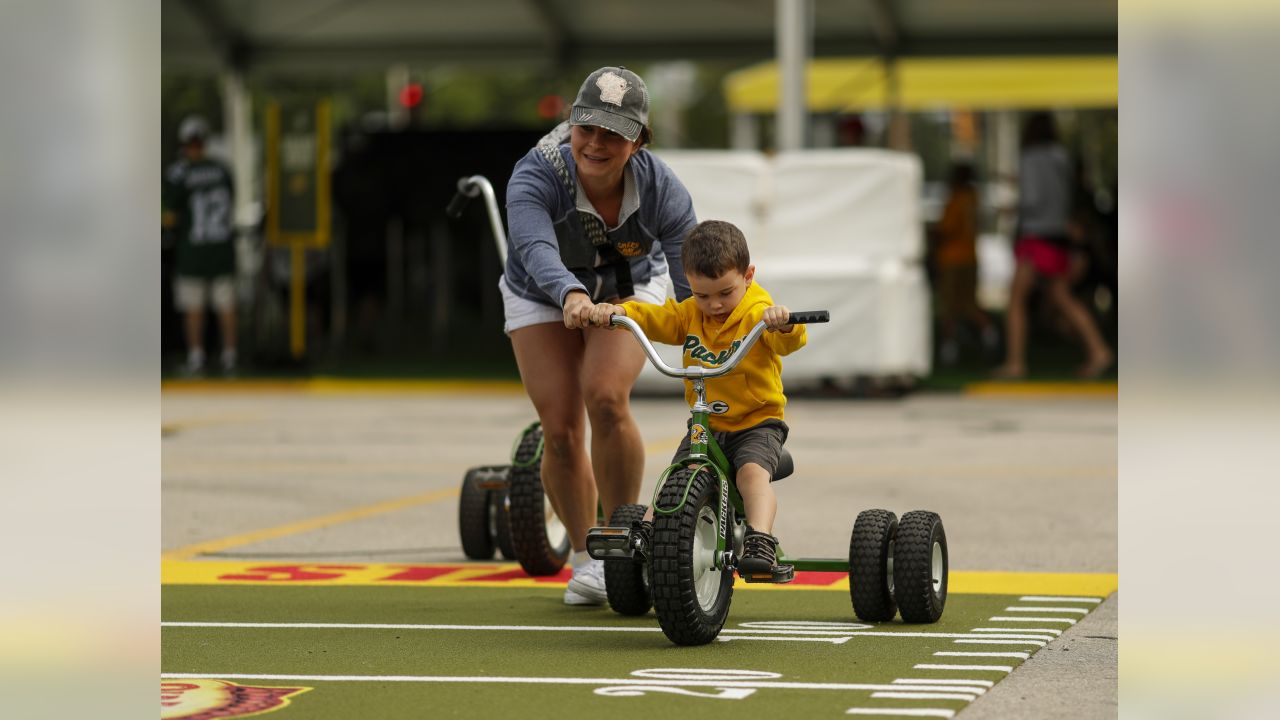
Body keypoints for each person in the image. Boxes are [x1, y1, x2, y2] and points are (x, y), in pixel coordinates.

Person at [501, 67, 698, 605]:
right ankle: (590, 562)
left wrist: (706, 327)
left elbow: (689, 272)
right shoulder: (536, 174)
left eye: (613, 133)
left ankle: (623, 541)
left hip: (627, 291)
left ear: (637, 141)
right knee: (561, 429)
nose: (596, 144)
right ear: (571, 123)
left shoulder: (659, 186)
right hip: (542, 294)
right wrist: (569, 295)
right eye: (587, 127)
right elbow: (534, 247)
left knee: (606, 397)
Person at [589, 220, 807, 575]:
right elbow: (659, 319)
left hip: (756, 422)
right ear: (689, 282)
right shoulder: (692, 312)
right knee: (677, 474)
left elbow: (789, 341)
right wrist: (622, 312)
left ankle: (760, 539)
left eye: (725, 293)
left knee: (751, 475)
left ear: (748, 276)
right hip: (707, 424)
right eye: (702, 295)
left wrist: (783, 323)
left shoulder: (757, 314)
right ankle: (648, 531)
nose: (714, 305)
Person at [993, 112, 1113, 379]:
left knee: (1016, 299)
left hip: (1036, 236)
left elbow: (1033, 199)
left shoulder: (1031, 157)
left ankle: (1015, 363)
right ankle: (1098, 350)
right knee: (1062, 297)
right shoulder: (1061, 158)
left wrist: (1013, 208)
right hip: (1058, 235)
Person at [163, 115, 238, 375]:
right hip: (221, 247)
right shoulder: (221, 169)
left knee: (194, 307)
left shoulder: (179, 172)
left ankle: (197, 356)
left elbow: (168, 215)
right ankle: (230, 355)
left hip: (193, 250)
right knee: (225, 306)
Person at [934, 162, 997, 365]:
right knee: (969, 303)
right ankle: (988, 333)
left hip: (952, 258)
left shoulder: (956, 199)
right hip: (970, 256)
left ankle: (948, 347)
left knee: (949, 307)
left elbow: (946, 229)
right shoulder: (973, 198)